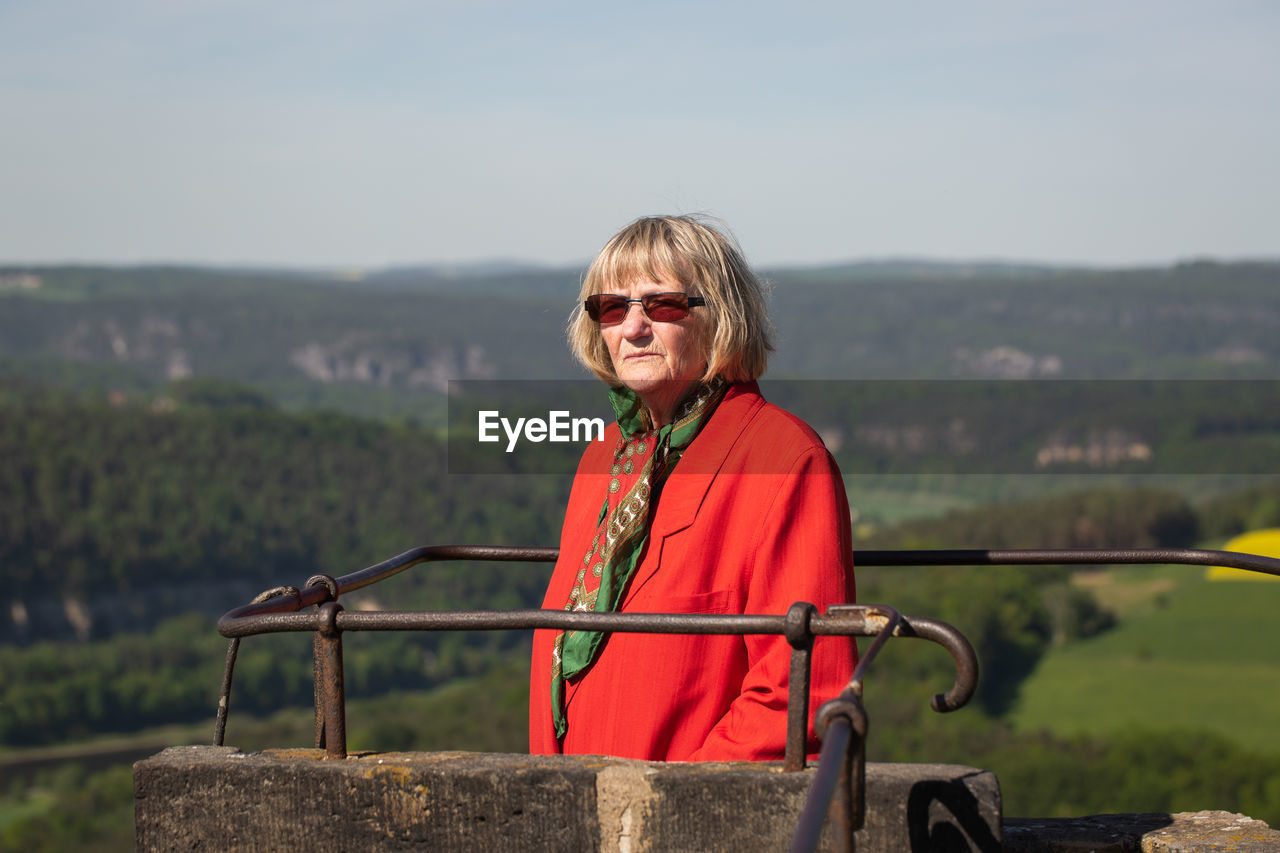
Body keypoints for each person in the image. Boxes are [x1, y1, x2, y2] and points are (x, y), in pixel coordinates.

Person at [528, 215, 856, 761]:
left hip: (681, 819)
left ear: (720, 317)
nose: (632, 328)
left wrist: (669, 805)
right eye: (613, 308)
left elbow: (799, 695)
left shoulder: (783, 458)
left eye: (663, 305)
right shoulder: (603, 457)